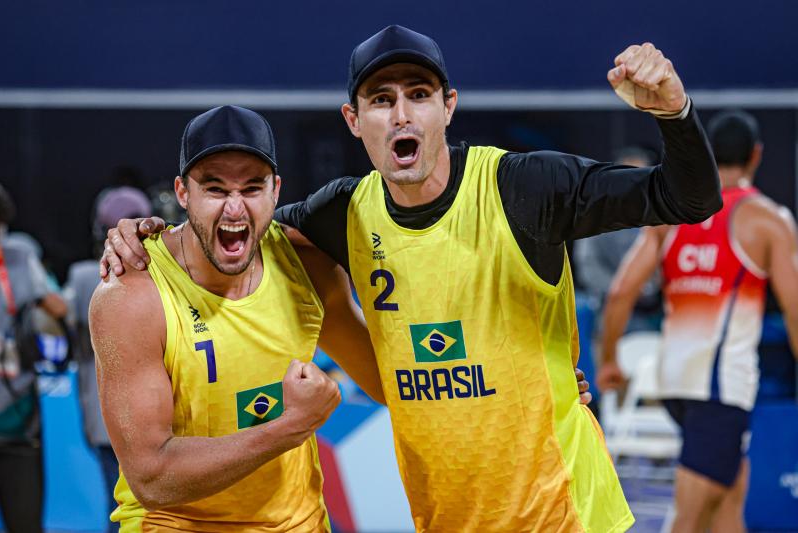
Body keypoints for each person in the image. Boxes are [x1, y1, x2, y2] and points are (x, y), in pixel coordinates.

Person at [102, 26, 719, 532]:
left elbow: (687, 198)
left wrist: (674, 112)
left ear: (447, 106)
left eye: (418, 94)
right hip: (443, 518)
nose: (402, 113)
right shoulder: (341, 213)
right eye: (381, 99)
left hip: (560, 514)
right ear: (354, 120)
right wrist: (144, 232)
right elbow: (229, 231)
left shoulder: (523, 187)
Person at [89, 106, 387, 531]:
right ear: (182, 193)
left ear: (276, 191)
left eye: (251, 188)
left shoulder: (307, 265)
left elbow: (386, 383)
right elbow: (152, 478)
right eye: (214, 188)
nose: (234, 208)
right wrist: (291, 426)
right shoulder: (132, 293)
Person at [597, 110, 798, 532]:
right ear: (756, 156)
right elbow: (795, 310)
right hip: (720, 389)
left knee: (728, 503)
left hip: (675, 384)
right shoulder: (767, 220)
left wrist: (609, 360)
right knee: (687, 521)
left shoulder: (672, 215)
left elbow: (618, 294)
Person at [64, 186, 153, 533]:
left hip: (104, 419)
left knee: (119, 509)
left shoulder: (84, 276)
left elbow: (57, 323)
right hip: (155, 418)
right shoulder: (164, 274)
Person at [0, 184, 67, 533]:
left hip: (19, 422)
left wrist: (39, 294)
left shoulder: (20, 254)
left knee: (25, 523)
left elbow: (59, 308)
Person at [574, 146, 662, 332]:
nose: (635, 184)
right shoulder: (595, 215)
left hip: (652, 311)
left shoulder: (661, 217)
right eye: (628, 177)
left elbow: (667, 260)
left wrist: (647, 288)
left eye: (641, 178)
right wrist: (619, 289)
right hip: (607, 306)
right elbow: (588, 265)